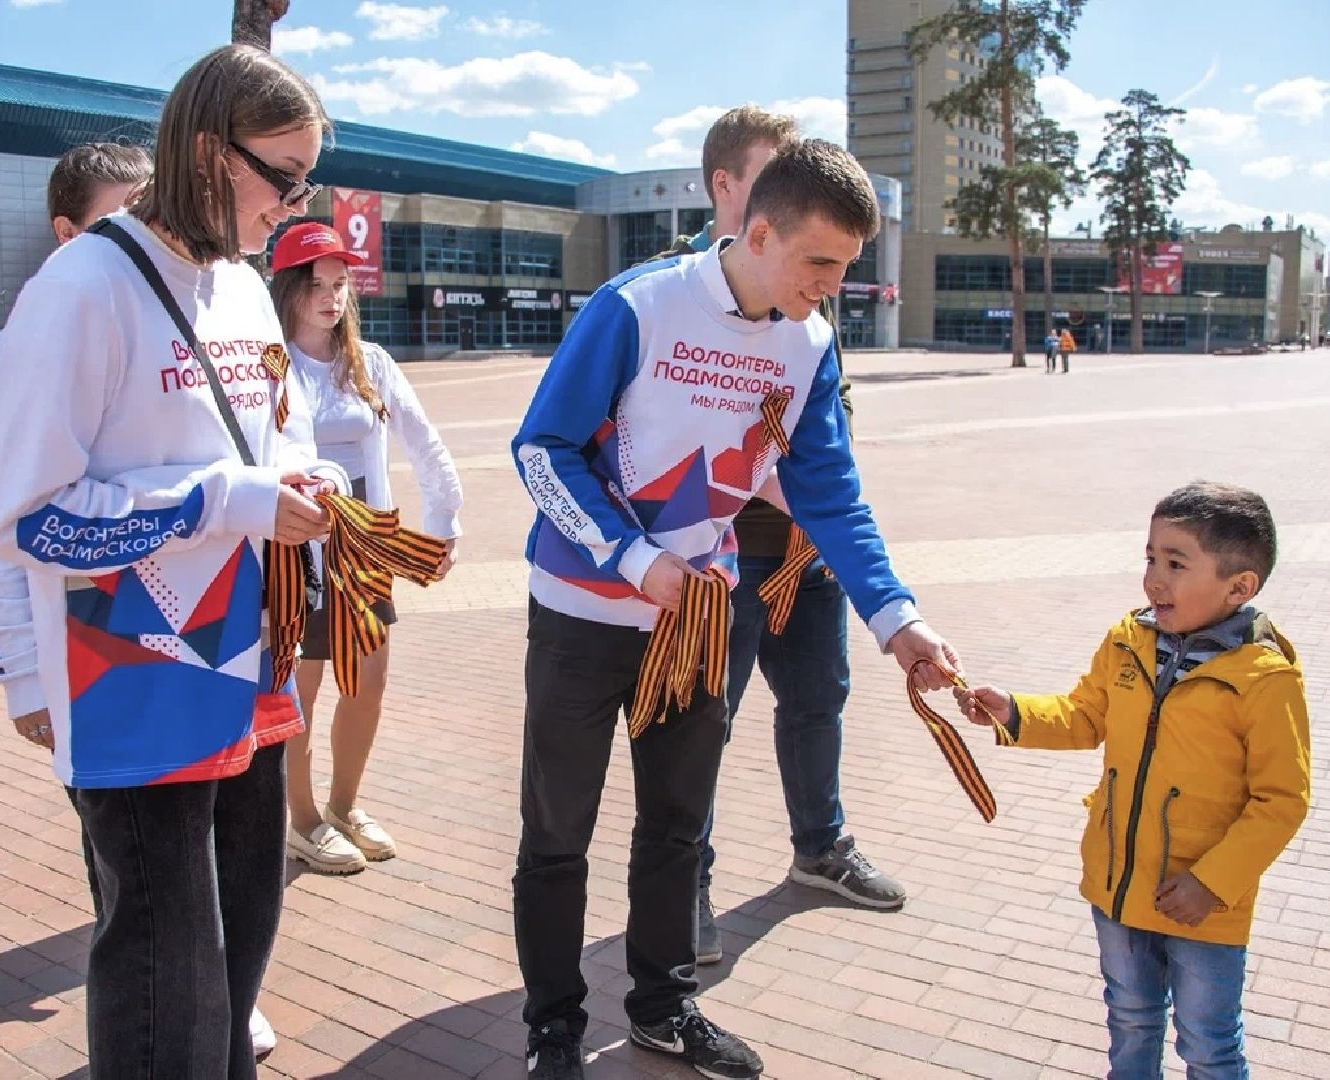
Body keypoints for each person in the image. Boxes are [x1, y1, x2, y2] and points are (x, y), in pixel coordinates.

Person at [510, 138, 962, 1080]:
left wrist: (897, 618)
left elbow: (831, 493)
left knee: (677, 826)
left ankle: (665, 1008)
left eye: (847, 267)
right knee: (559, 832)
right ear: (759, 233)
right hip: (586, 612)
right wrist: (635, 559)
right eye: (820, 264)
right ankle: (553, 1030)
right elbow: (542, 451)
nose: (834, 288)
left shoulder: (809, 342)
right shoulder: (636, 305)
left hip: (698, 620)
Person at [0, 45, 349, 1079]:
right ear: (212, 154)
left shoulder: (244, 289)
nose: (297, 207)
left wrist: (302, 481)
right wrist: (224, 502)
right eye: (286, 176)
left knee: (243, 937)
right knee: (164, 966)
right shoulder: (82, 289)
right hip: (131, 676)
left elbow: (276, 428)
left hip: (247, 665)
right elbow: (23, 516)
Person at [654, 106, 907, 970]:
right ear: (731, 190)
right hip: (724, 559)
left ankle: (821, 845)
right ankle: (689, 882)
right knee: (703, 722)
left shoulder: (806, 307)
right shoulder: (666, 295)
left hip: (808, 552)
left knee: (818, 698)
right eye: (773, 177)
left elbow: (824, 427)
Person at [955, 481, 1310, 1080]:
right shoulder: (1128, 639)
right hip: (1117, 883)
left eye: (1176, 563)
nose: (1154, 578)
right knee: (1130, 1022)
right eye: (1151, 557)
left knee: (1208, 1045)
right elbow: (1085, 716)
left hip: (1201, 905)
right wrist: (1014, 712)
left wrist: (1212, 882)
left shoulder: (1265, 679)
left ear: (1239, 586)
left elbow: (1283, 801)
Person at [269, 222, 463, 874]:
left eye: (340, 284)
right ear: (289, 289)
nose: (331, 297)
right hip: (297, 560)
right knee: (300, 690)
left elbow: (425, 442)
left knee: (369, 684)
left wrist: (444, 523)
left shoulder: (370, 362)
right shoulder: (269, 364)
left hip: (365, 557)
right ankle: (298, 819)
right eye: (317, 285)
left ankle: (343, 805)